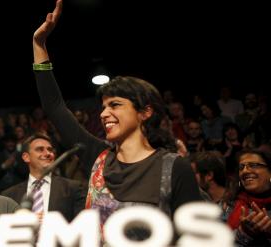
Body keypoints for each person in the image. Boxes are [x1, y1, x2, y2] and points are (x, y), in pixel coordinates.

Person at [32, 0, 201, 238]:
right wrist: (39, 45)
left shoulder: (173, 167)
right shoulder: (97, 157)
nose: (104, 113)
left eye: (115, 105)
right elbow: (55, 106)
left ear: (145, 112)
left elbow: (194, 237)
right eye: (103, 107)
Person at [1, 133, 85, 222]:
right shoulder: (9, 195)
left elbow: (81, 226)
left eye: (50, 150)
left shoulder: (72, 188)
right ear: (26, 157)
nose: (48, 153)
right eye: (40, 149)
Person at [223, 149, 271, 246]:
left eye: (254, 165)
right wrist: (243, 233)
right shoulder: (228, 205)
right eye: (241, 167)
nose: (245, 171)